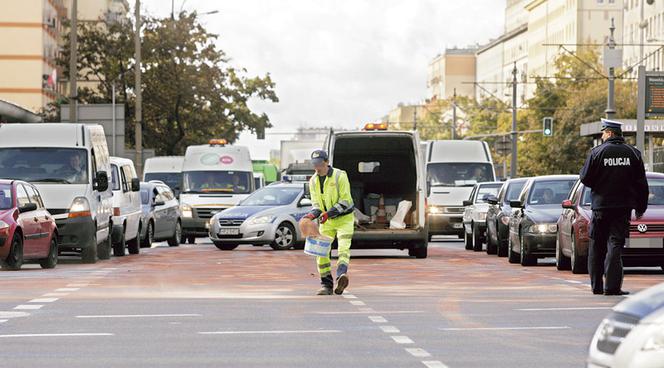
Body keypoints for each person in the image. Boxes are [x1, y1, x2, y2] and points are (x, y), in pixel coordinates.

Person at [580, 118, 649, 296]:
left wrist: (600, 184)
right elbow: (641, 183)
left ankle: (596, 286)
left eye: (603, 132)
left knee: (597, 245)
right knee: (615, 244)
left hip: (601, 207)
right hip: (622, 208)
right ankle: (612, 287)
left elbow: (585, 178)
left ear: (609, 133)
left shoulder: (597, 153)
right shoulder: (633, 154)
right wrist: (641, 207)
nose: (602, 135)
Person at [302, 150, 355, 296]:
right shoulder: (313, 181)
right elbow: (317, 205)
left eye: (319, 164)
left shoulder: (340, 176)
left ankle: (341, 276)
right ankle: (326, 285)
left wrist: (328, 213)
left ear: (326, 162)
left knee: (343, 248)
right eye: (314, 164)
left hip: (345, 219)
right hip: (327, 221)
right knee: (321, 253)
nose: (317, 167)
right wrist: (309, 217)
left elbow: (345, 201)